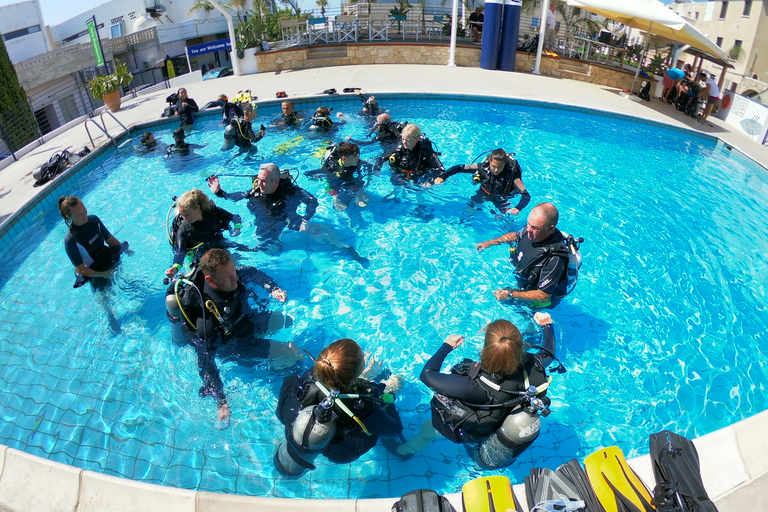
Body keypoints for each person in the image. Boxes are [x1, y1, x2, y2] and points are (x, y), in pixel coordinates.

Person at [392, 313, 555, 467]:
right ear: (520, 346)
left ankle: (409, 448)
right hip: (499, 427)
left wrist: (446, 346)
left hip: (470, 432)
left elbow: (427, 375)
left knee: (430, 429)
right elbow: (549, 351)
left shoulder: (472, 385)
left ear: (486, 350)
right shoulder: (534, 365)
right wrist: (547, 326)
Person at [166, 248, 296, 427]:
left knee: (288, 321)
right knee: (292, 353)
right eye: (229, 277)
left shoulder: (230, 277)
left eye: (234, 271)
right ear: (210, 280)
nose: (236, 278)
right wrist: (221, 401)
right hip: (238, 344)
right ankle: (276, 372)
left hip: (247, 322)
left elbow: (251, 272)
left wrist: (272, 288)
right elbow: (206, 363)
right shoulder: (207, 320)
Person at [275, 338, 403, 476]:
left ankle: (353, 378)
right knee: (398, 381)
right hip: (342, 451)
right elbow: (395, 429)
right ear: (355, 377)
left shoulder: (300, 386)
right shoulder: (364, 409)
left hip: (322, 443)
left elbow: (289, 384)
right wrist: (388, 401)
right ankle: (378, 384)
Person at [477, 202, 573, 307]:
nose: (528, 230)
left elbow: (543, 295)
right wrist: (491, 242)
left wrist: (511, 294)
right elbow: (516, 236)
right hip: (523, 275)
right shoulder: (532, 228)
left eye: (535, 228)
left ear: (550, 228)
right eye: (528, 224)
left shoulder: (555, 257)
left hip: (537, 298)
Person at [59, 196, 133, 333]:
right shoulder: (70, 240)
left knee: (120, 278)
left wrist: (125, 250)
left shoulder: (94, 220)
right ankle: (110, 315)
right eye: (79, 214)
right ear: (69, 216)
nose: (84, 215)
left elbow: (109, 238)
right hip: (94, 270)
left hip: (107, 257)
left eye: (84, 209)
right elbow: (81, 269)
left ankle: (128, 287)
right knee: (104, 297)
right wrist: (103, 274)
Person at [208, 163, 318, 254]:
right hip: (265, 221)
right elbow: (234, 197)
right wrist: (219, 192)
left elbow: (312, 201)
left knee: (313, 232)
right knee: (268, 250)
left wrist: (305, 218)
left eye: (263, 181)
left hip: (286, 215)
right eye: (259, 179)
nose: (259, 184)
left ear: (275, 182)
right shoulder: (256, 190)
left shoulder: (291, 191)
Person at [164, 189, 241, 278]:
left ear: (198, 207)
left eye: (187, 214)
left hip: (218, 244)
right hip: (196, 254)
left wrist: (237, 229)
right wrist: (175, 268)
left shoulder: (213, 213)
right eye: (182, 215)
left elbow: (235, 217)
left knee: (233, 269)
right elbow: (181, 251)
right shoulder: (183, 228)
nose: (184, 218)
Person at [434, 148, 531, 216]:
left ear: (505, 164)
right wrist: (443, 177)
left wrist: (518, 208)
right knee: (468, 210)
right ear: (489, 162)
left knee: (505, 218)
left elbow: (526, 195)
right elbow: (459, 167)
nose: (496, 170)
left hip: (502, 198)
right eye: (494, 166)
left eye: (499, 167)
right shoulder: (482, 168)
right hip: (483, 192)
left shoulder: (512, 176)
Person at [305, 141, 373, 211]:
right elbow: (308, 173)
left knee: (358, 183)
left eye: (358, 155)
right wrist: (316, 178)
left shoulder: (357, 162)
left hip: (350, 179)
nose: (358, 158)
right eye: (355, 156)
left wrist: (369, 179)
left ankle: (359, 194)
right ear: (344, 158)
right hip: (336, 182)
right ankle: (336, 199)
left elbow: (369, 166)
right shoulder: (332, 167)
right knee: (336, 194)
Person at [378, 124, 444, 187]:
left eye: (407, 140)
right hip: (402, 173)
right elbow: (383, 158)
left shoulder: (425, 150)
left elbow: (440, 169)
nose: (404, 142)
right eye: (403, 139)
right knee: (395, 182)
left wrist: (430, 181)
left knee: (419, 188)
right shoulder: (400, 147)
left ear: (417, 139)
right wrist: (377, 167)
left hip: (420, 175)